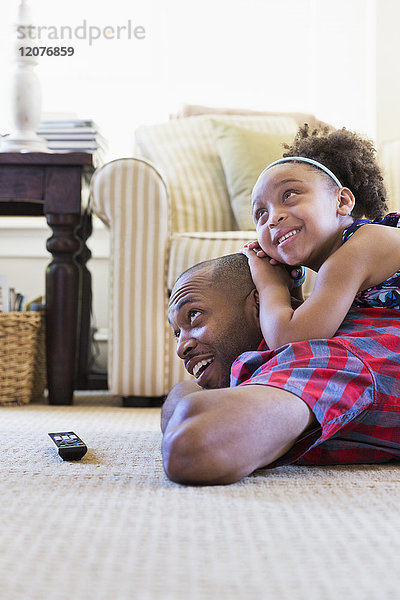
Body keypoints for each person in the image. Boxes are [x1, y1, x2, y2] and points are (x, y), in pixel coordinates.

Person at [162, 253, 400, 485]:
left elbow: (192, 449)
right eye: (177, 333)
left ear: (259, 302)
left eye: (194, 316)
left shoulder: (321, 356)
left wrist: (188, 397)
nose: (181, 348)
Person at [242, 125, 400, 352]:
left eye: (289, 195)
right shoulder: (341, 260)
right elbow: (313, 321)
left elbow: (289, 338)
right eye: (261, 213)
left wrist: (270, 283)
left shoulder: (360, 249)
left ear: (342, 202)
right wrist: (292, 286)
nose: (273, 218)